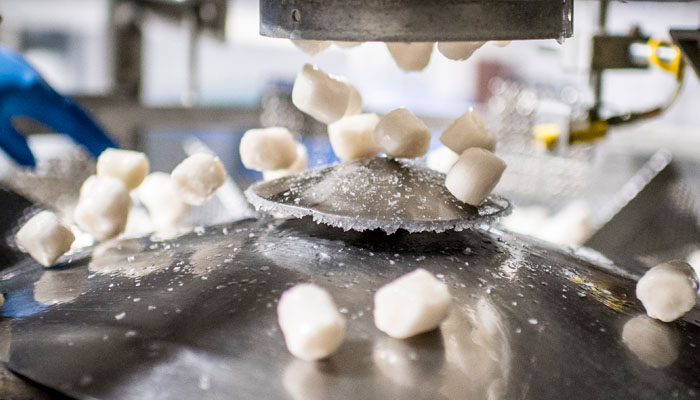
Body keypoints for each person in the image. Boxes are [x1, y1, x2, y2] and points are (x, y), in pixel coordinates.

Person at [0, 45, 115, 167]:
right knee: (74, 123)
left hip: (21, 82)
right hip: (29, 80)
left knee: (71, 122)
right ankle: (114, 157)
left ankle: (113, 158)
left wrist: (28, 164)